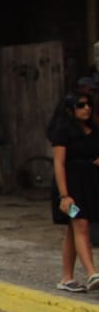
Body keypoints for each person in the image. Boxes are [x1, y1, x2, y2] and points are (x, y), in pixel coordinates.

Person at [47, 92, 99, 291]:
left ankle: (66, 278)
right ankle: (92, 273)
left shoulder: (93, 130)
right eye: (81, 105)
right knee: (81, 224)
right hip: (70, 186)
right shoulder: (63, 132)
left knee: (73, 229)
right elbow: (59, 164)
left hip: (90, 184)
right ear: (70, 109)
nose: (87, 108)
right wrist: (64, 196)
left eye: (88, 104)